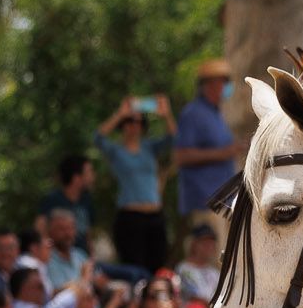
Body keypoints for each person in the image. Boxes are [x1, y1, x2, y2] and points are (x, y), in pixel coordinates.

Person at [95, 96, 175, 270]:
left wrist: (166, 114)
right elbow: (98, 138)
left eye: (138, 121)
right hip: (130, 217)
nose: (134, 125)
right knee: (135, 269)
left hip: (155, 215)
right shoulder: (116, 151)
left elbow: (173, 138)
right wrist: (120, 114)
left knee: (158, 269)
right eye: (130, 121)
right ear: (123, 125)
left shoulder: (149, 148)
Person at [172, 58, 245, 218]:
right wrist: (222, 154)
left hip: (223, 202)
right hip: (204, 205)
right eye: (223, 82)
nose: (227, 86)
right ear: (209, 85)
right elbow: (181, 157)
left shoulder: (216, 114)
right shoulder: (192, 113)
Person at [38, 153, 96, 244]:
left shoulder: (86, 200)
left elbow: (87, 232)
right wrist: (49, 248)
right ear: (76, 178)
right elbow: (40, 228)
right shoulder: (53, 200)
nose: (93, 176)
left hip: (81, 252)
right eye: (89, 172)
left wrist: (90, 251)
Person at [175, 219, 223, 308]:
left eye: (211, 242)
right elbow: (195, 296)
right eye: (204, 242)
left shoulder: (215, 272)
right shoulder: (183, 269)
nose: (209, 246)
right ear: (193, 244)